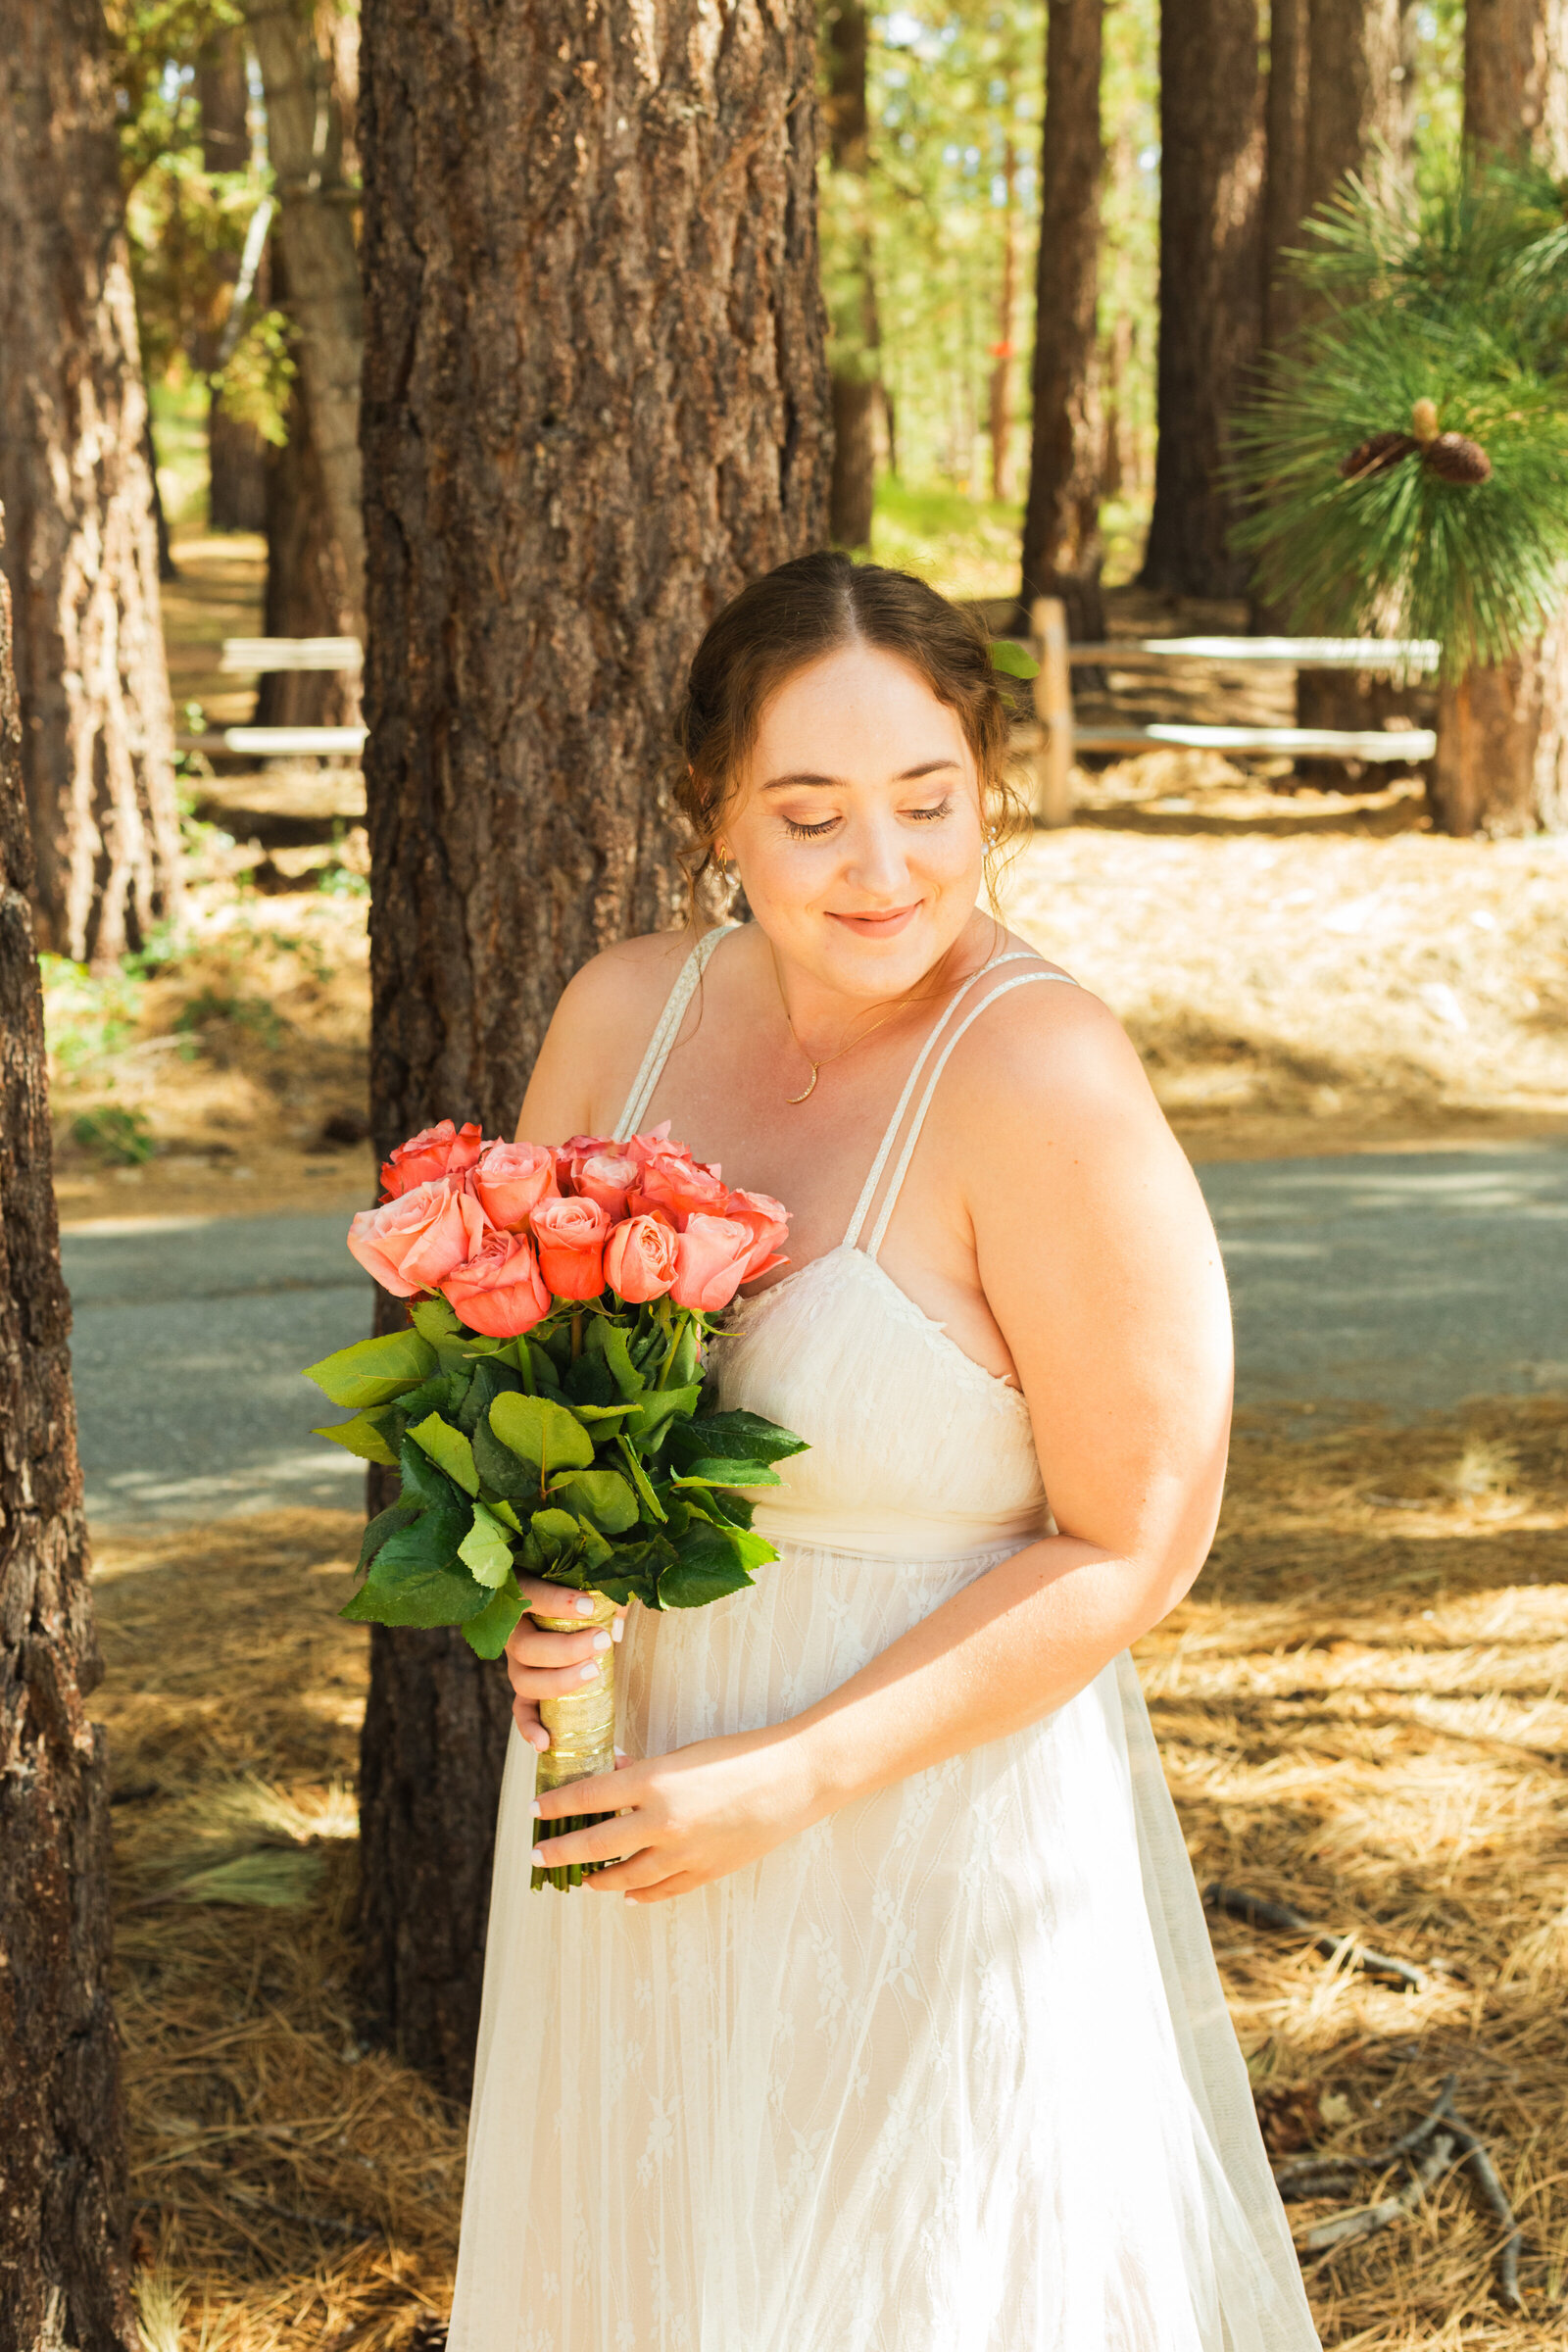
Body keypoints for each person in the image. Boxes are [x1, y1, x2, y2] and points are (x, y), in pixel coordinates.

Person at [447, 553, 1319, 2351]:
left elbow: (1135, 1541)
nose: (886, 867)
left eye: (930, 802)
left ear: (987, 784)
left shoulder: (1043, 1073)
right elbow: (521, 1393)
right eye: (813, 813)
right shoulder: (626, 1016)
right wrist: (542, 1598)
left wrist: (792, 1776)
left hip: (918, 1842)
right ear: (716, 815)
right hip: (635, 1832)